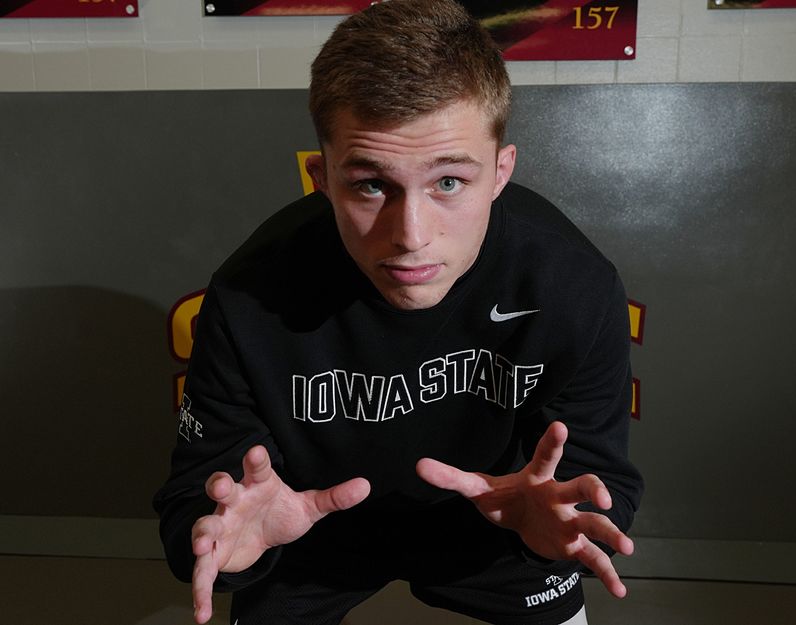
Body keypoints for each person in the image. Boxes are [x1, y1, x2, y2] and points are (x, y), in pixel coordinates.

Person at [153, 1, 644, 624]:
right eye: (370, 185)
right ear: (322, 176)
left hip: (499, 520)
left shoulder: (572, 285)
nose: (410, 235)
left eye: (448, 183)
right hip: (305, 520)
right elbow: (193, 502)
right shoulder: (249, 295)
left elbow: (599, 480)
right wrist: (232, 549)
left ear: (500, 172)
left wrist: (562, 531)